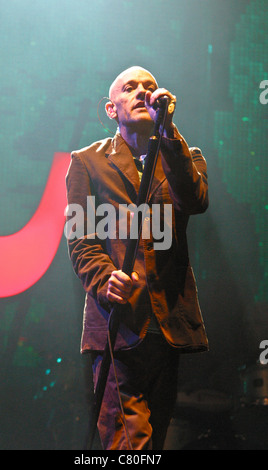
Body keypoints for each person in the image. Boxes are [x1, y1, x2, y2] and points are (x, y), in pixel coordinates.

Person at [65, 66, 209, 450]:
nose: (143, 92)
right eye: (130, 88)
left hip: (166, 326)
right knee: (131, 445)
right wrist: (103, 278)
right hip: (118, 324)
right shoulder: (88, 162)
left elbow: (194, 201)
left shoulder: (183, 155)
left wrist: (169, 136)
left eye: (149, 86)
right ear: (112, 109)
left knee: (153, 442)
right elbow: (80, 238)